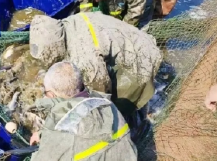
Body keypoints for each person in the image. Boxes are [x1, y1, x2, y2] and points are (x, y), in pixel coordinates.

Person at [27, 61, 138, 161]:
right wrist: (42, 134)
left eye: (46, 92)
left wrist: (45, 142)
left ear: (51, 95)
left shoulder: (59, 126)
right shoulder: (104, 102)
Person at [29, 12, 162, 117]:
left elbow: (100, 91)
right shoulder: (68, 22)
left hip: (141, 58)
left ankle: (138, 115)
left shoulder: (85, 58)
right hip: (131, 38)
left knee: (121, 101)